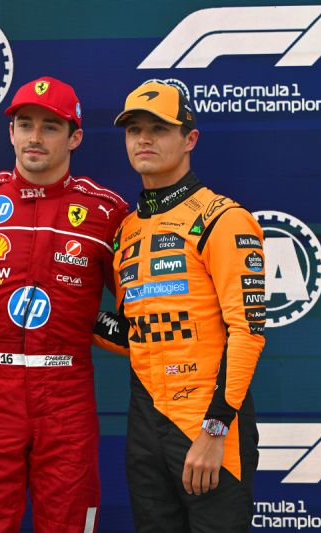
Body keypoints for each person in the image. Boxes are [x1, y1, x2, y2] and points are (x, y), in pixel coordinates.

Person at [0, 76, 128, 533]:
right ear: (11, 132)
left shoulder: (106, 211)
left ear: (75, 137)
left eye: (51, 126)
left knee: (68, 522)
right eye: (25, 124)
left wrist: (82, 323)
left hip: (67, 391)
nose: (35, 137)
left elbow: (135, 308)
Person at [95, 80, 266, 532]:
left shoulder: (223, 218)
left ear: (189, 139)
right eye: (134, 130)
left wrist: (215, 430)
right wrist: (71, 318)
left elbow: (247, 332)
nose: (144, 139)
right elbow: (136, 333)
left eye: (159, 129)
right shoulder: (126, 230)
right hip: (145, 423)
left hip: (207, 423)